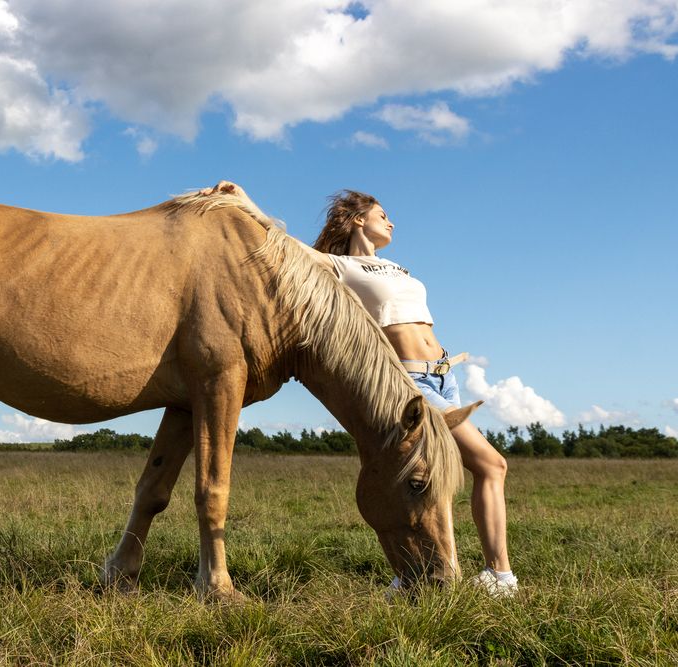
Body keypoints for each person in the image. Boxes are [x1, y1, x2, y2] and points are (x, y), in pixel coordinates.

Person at [206, 181, 518, 597]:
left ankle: (420, 576)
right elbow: (283, 245)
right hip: (408, 382)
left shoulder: (398, 268)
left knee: (432, 481)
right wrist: (245, 204)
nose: (390, 219)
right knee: (490, 465)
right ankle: (500, 577)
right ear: (357, 220)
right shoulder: (338, 268)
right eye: (380, 212)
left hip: (445, 374)